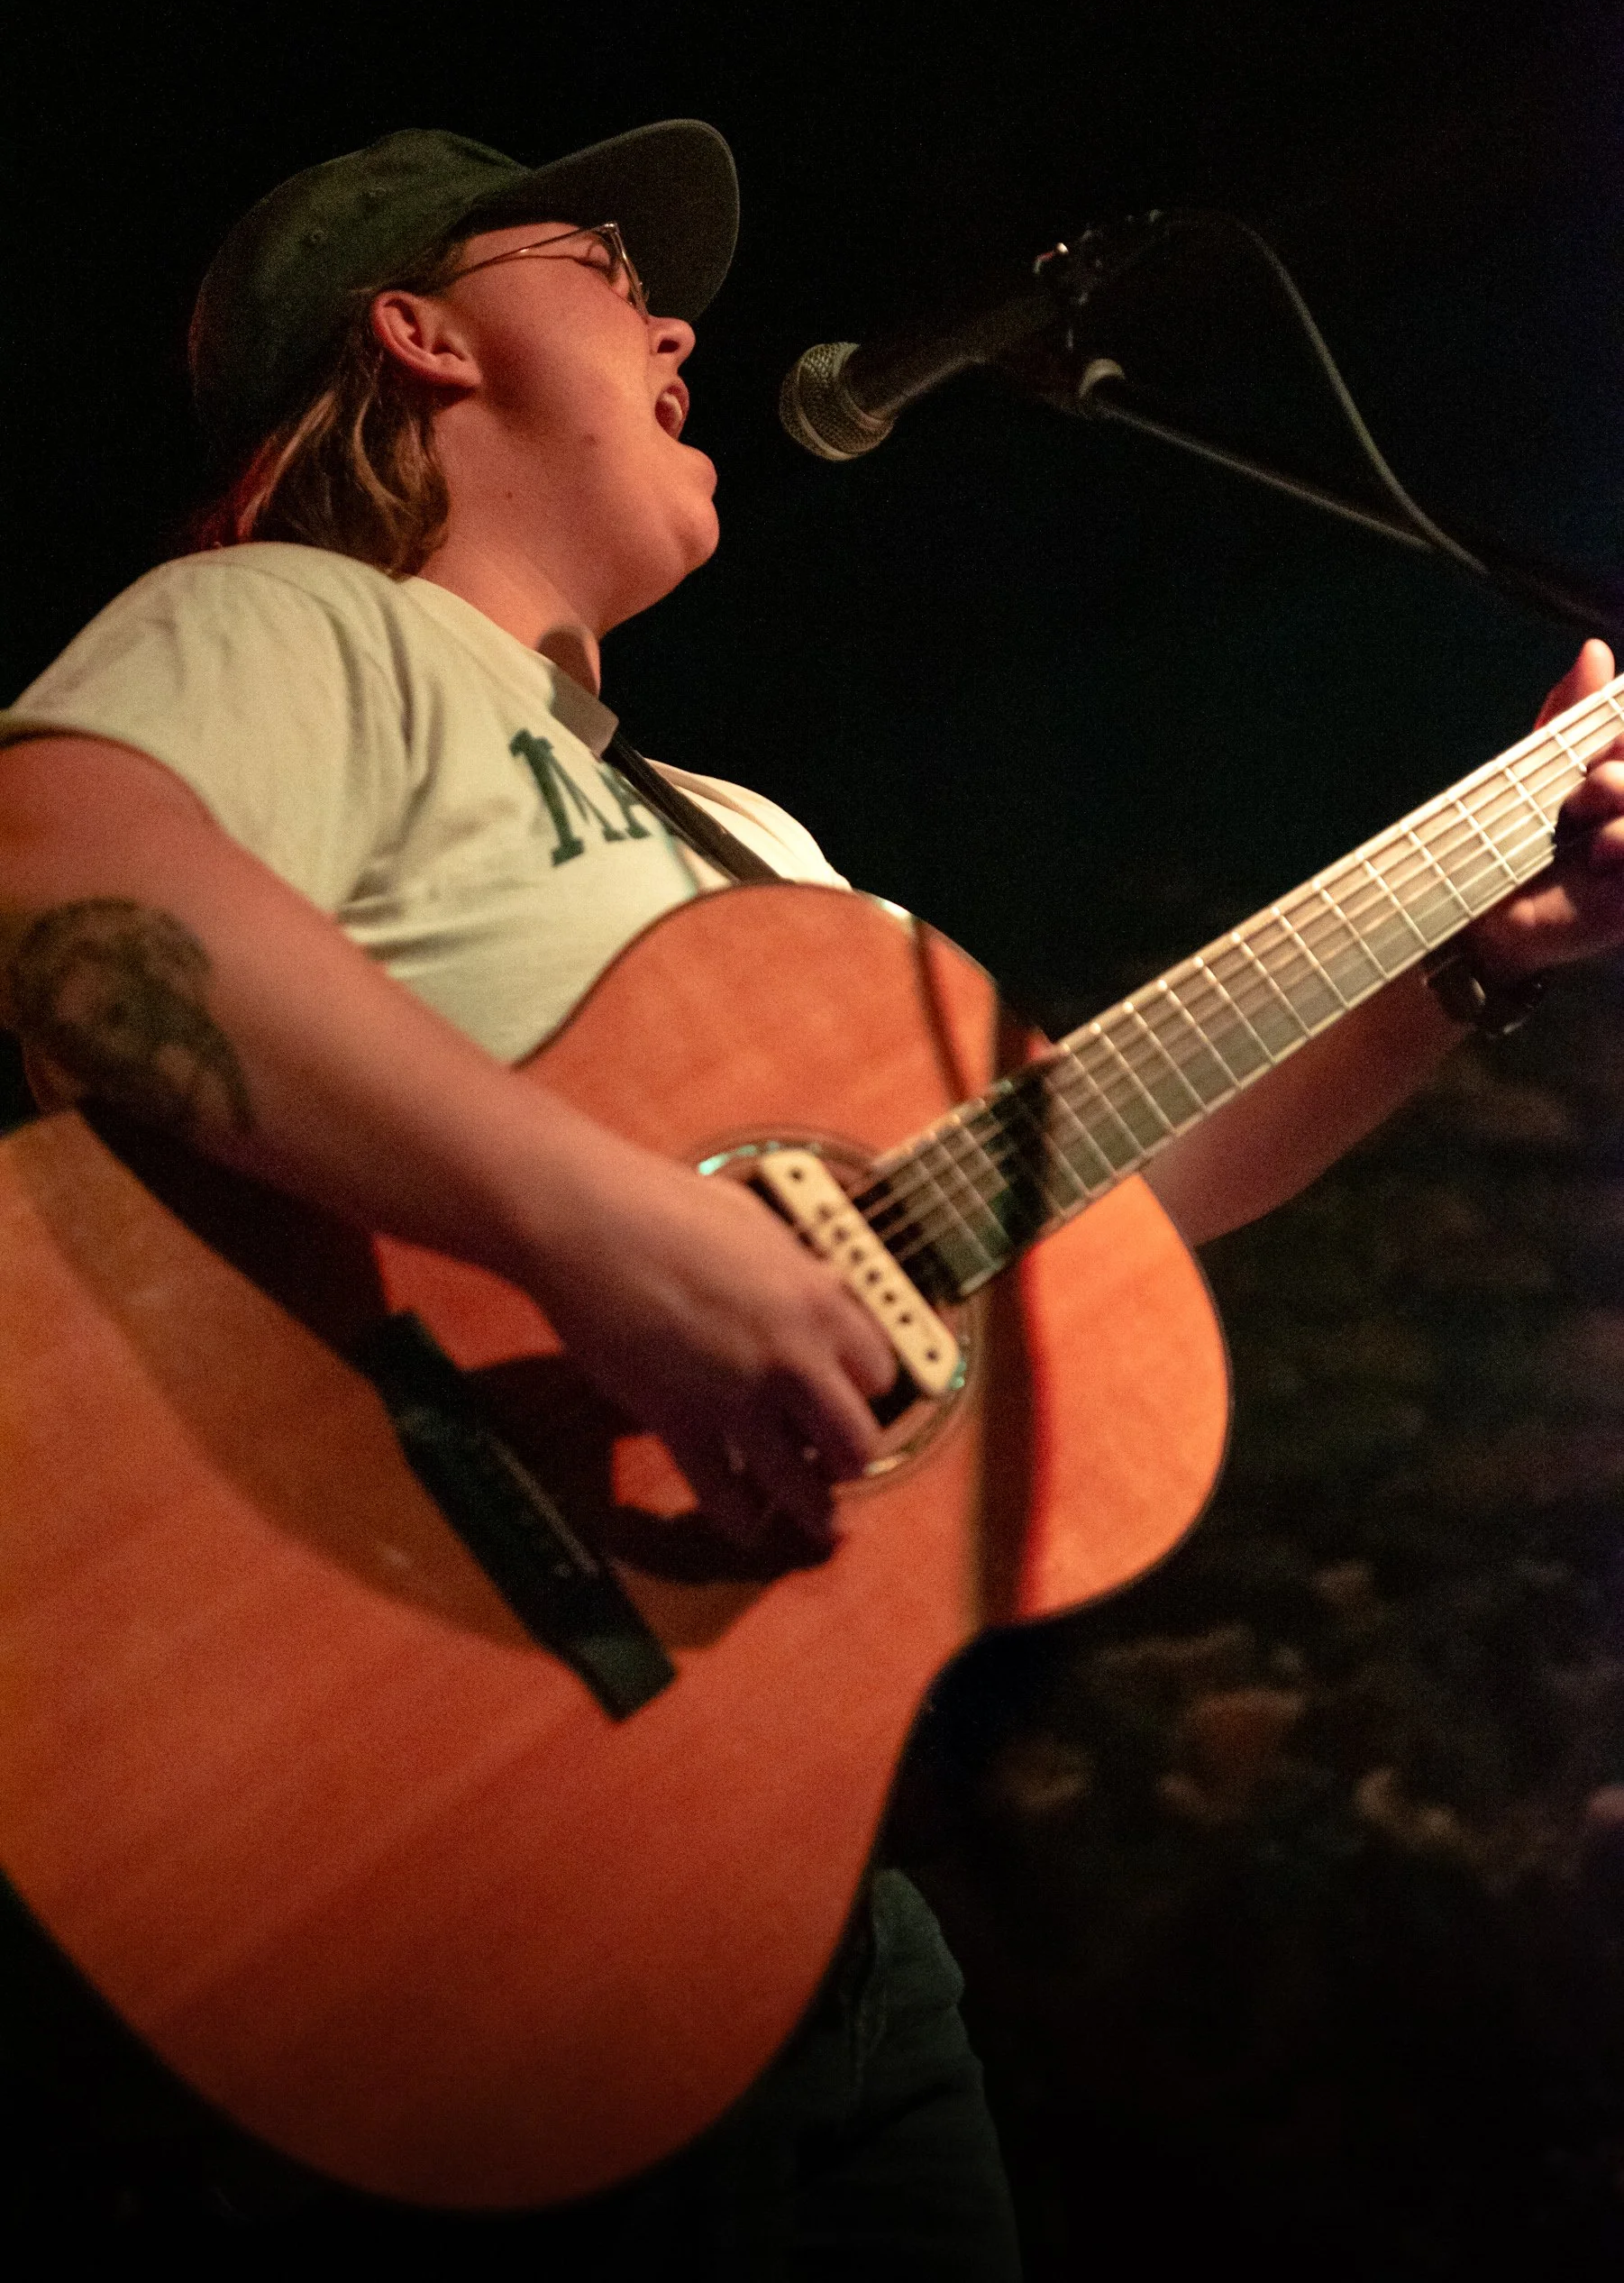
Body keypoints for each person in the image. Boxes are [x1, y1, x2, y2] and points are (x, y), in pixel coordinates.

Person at [2, 120, 1623, 2264]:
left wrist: (1474, 953)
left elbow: (1079, 1190)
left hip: (779, 1903)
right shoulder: (305, 631)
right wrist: (605, 1236)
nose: (680, 321)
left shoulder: (749, 843)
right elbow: (61, 875)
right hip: (401, 1828)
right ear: (416, 335)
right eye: (596, 263)